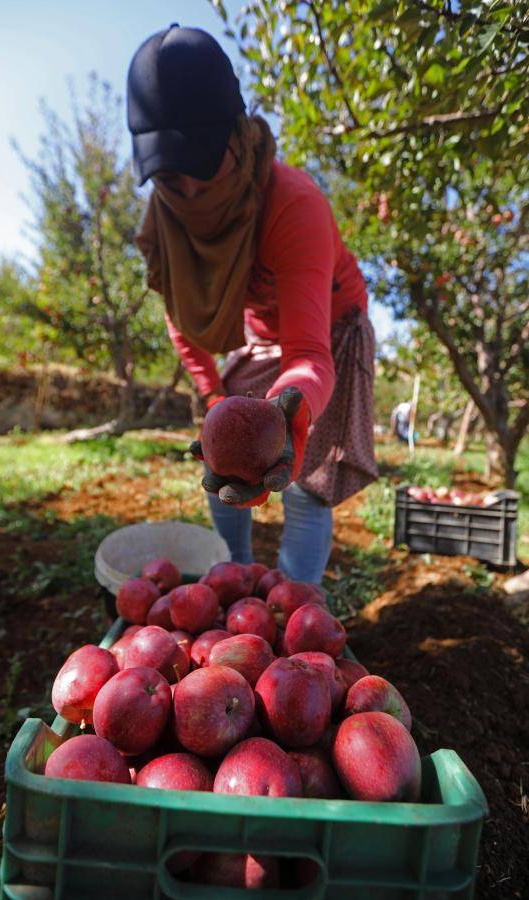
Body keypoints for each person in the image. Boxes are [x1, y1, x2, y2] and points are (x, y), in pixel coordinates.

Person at [126, 25, 377, 584]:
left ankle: (294, 607)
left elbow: (310, 352)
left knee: (306, 488)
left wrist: (294, 412)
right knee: (223, 463)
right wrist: (215, 395)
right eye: (170, 177)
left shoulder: (293, 205)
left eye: (205, 165)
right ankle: (232, 584)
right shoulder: (166, 226)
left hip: (328, 327)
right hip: (263, 331)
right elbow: (183, 319)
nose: (191, 194)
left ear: (237, 142)